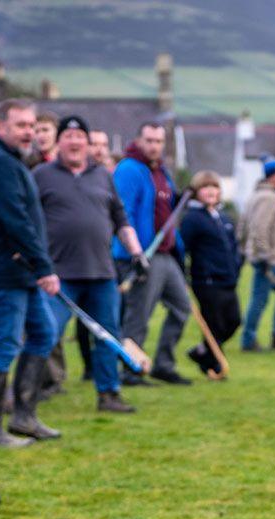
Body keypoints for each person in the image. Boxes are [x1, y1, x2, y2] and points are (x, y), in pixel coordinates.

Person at [35, 115, 147, 413]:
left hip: (101, 273)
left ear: (86, 142)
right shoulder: (42, 175)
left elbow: (120, 219)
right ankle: (24, 393)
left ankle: (109, 394)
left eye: (79, 137)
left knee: (108, 336)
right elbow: (29, 221)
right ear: (59, 142)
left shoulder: (103, 175)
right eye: (68, 137)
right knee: (46, 334)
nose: (74, 142)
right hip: (59, 276)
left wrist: (137, 253)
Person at [0, 98, 62, 444]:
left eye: (32, 125)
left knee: (43, 334)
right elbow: (16, 222)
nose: (29, 132)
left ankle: (24, 417)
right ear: (1, 127)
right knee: (4, 344)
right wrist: (44, 266)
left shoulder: (11, 161)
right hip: (6, 269)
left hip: (21, 271)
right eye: (21, 125)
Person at [114, 122, 194, 385]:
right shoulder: (128, 170)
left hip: (166, 253)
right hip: (141, 255)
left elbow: (166, 207)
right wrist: (134, 253)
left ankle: (163, 364)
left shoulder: (160, 171)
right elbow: (122, 213)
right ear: (138, 140)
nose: (154, 146)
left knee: (182, 308)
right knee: (139, 315)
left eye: (159, 141)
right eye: (149, 140)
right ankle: (130, 369)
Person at [178, 170, 241, 378]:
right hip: (207, 281)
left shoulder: (223, 218)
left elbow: (233, 246)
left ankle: (202, 352)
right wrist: (184, 273)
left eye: (214, 187)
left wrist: (237, 265)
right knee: (214, 324)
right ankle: (214, 367)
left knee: (233, 321)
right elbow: (182, 247)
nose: (211, 191)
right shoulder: (193, 219)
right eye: (205, 187)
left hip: (228, 279)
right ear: (197, 192)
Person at [240, 156, 275, 352]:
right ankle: (260, 338)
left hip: (266, 257)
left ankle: (262, 337)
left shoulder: (260, 194)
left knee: (266, 297)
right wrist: (263, 255)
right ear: (274, 176)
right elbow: (259, 228)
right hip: (267, 258)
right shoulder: (267, 197)